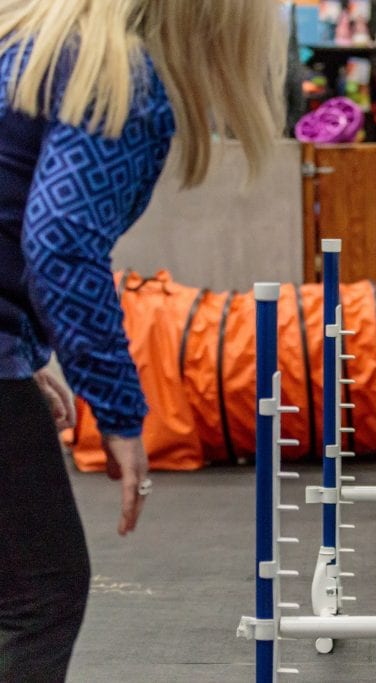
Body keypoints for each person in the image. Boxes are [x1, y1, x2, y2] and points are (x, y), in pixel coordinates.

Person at [0, 1, 284, 680]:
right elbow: (60, 242)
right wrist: (121, 413)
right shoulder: (119, 80)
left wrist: (20, 349)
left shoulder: (25, 44)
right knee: (43, 589)